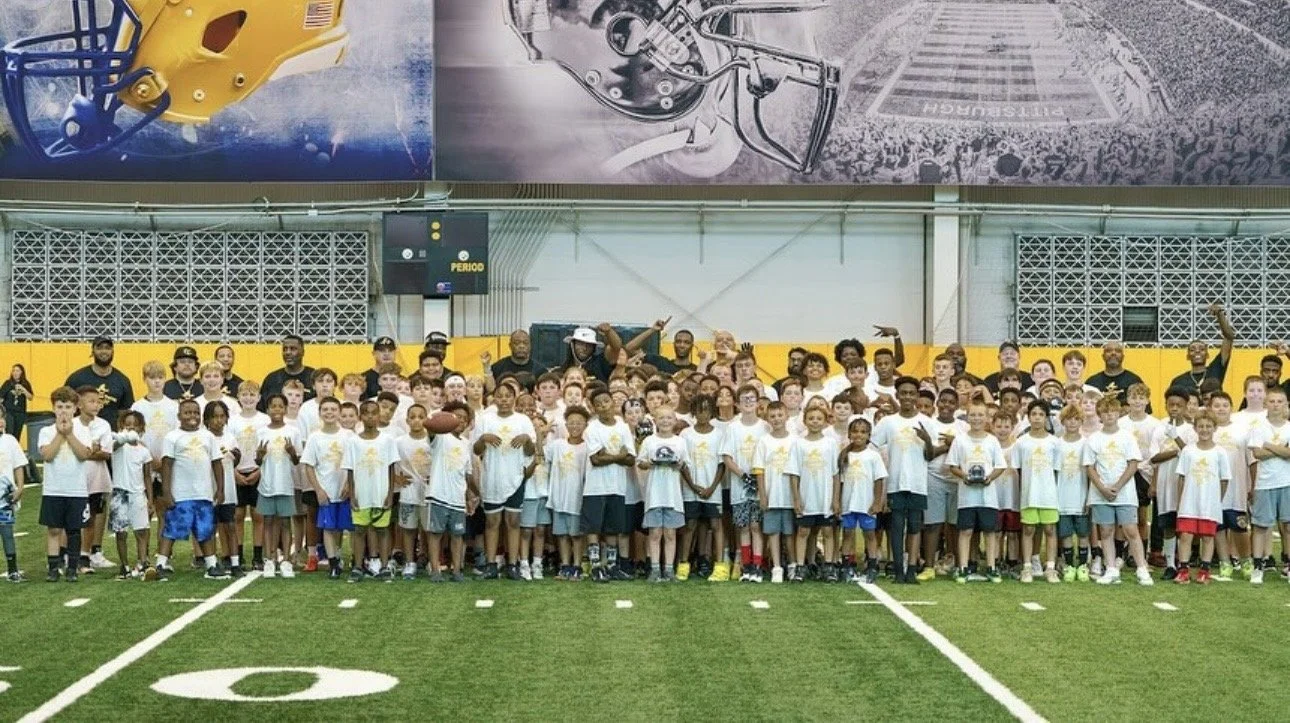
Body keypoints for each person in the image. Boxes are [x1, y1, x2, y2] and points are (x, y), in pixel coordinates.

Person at [872, 376, 936, 584]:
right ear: (897, 396)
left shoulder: (927, 423)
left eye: (911, 393)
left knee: (915, 527)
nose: (907, 397)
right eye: (904, 393)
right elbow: (872, 447)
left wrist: (927, 440)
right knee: (897, 527)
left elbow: (931, 454)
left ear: (917, 396)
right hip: (896, 482)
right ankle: (898, 568)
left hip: (918, 483)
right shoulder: (888, 422)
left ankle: (912, 569)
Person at [1083, 397, 1152, 586]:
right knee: (1105, 531)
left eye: (1112, 412)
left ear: (1118, 413)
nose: (1109, 415)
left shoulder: (1127, 436)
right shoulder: (1094, 439)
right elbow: (1089, 467)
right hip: (1100, 493)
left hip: (1125, 493)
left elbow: (1133, 464)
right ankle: (1111, 568)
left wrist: (1118, 486)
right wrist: (1102, 488)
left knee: (1130, 529)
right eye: (1105, 412)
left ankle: (1142, 568)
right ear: (1100, 416)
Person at [156, 398, 226, 580]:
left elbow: (217, 464)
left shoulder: (208, 436)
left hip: (203, 492)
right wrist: (166, 492)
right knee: (172, 528)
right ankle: (161, 563)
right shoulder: (172, 437)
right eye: (187, 412)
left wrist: (220, 489)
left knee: (205, 529)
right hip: (181, 494)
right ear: (179, 416)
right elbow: (167, 465)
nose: (192, 416)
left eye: (196, 412)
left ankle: (211, 564)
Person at [473, 383, 536, 580]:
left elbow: (531, 453)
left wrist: (527, 439)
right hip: (492, 478)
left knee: (513, 521)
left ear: (514, 398)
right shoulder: (485, 419)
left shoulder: (523, 420)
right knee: (492, 521)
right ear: (493, 398)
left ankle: (512, 564)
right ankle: (491, 564)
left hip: (515, 478)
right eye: (499, 396)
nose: (504, 400)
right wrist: (483, 439)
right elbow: (476, 450)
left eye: (508, 396)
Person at [947, 401, 1007, 583]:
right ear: (967, 417)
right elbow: (952, 465)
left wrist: (990, 477)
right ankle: (963, 567)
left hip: (988, 497)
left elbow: (1000, 466)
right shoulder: (960, 440)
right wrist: (964, 475)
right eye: (973, 415)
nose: (977, 418)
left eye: (981, 415)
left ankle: (991, 567)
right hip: (966, 497)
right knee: (965, 531)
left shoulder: (992, 440)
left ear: (987, 417)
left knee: (990, 531)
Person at [343, 400, 400, 582]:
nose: (370, 416)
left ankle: (384, 566)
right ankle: (358, 566)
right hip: (361, 494)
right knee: (360, 530)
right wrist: (352, 495)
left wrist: (390, 494)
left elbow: (391, 469)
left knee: (382, 530)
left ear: (379, 416)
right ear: (361, 417)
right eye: (366, 413)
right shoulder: (353, 442)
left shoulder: (387, 440)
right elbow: (350, 470)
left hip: (381, 493)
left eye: (374, 413)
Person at [581, 387, 634, 582]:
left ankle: (611, 566)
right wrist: (619, 455)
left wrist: (611, 456)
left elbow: (630, 459)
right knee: (593, 528)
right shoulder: (592, 429)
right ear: (593, 408)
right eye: (598, 404)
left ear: (613, 402)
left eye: (606, 401)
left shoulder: (622, 426)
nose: (603, 406)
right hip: (595, 488)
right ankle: (596, 567)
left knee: (613, 528)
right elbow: (596, 459)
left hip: (617, 487)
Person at [1173, 411, 1230, 584]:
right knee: (1185, 536)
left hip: (1209, 503)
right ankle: (1183, 570)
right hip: (1189, 502)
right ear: (1195, 428)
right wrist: (1181, 500)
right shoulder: (1188, 451)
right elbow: (1181, 477)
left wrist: (1216, 500)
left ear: (1214, 428)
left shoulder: (1220, 452)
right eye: (1201, 426)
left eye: (1208, 426)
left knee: (1207, 537)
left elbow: (1224, 479)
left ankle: (1204, 569)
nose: (1204, 430)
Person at [636, 405, 691, 582]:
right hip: (654, 495)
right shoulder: (649, 441)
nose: (665, 421)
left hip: (673, 496)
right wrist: (651, 464)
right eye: (661, 418)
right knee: (654, 533)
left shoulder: (680, 442)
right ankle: (654, 569)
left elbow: (684, 464)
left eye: (669, 418)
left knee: (670, 533)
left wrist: (678, 465)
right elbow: (641, 463)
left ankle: (668, 569)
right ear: (655, 421)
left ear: (675, 421)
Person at [721, 384, 770, 583]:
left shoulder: (765, 427)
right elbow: (727, 457)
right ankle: (746, 565)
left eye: (752, 398)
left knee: (756, 525)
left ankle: (757, 565)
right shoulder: (733, 427)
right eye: (744, 399)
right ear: (738, 404)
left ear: (758, 403)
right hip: (741, 485)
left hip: (760, 485)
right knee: (743, 527)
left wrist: (758, 478)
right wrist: (743, 475)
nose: (748, 402)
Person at [425, 402, 477, 582]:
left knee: (457, 535)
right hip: (438, 495)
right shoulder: (441, 437)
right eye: (456, 417)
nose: (460, 421)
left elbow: (467, 473)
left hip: (457, 497)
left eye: (464, 418)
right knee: (435, 534)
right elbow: (430, 427)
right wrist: (442, 419)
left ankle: (456, 570)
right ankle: (435, 570)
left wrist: (470, 496)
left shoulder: (466, 443)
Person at [1147, 388, 1195, 580]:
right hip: (1165, 483)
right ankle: (1170, 564)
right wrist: (1175, 452)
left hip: (1184, 483)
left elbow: (1192, 454)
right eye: (1171, 405)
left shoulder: (1190, 430)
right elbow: (1154, 457)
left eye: (1179, 405)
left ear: (1185, 407)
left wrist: (1176, 438)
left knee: (1184, 523)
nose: (1174, 408)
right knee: (1167, 524)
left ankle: (1184, 562)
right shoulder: (1159, 429)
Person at [1012, 401, 1062, 583]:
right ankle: (1027, 567)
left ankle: (1050, 567)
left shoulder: (1054, 443)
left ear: (1046, 417)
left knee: (1050, 529)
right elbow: (1017, 469)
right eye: (1034, 414)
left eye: (1041, 414)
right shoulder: (1021, 443)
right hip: (1029, 494)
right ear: (1028, 417)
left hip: (1048, 495)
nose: (1037, 418)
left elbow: (1056, 470)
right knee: (1028, 529)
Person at [303, 397, 351, 580]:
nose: (329, 412)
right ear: (320, 413)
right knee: (329, 527)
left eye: (333, 409)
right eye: (325, 409)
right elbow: (309, 466)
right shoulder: (315, 437)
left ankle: (339, 555)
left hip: (344, 490)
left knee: (341, 527)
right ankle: (333, 563)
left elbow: (353, 464)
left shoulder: (348, 435)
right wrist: (318, 490)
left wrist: (349, 484)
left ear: (339, 412)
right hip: (327, 491)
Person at [255, 393, 302, 578]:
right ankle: (270, 558)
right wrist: (259, 455)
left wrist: (291, 452)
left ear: (285, 409)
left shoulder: (293, 432)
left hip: (286, 484)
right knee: (268, 521)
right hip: (267, 484)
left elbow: (297, 461)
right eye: (273, 406)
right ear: (267, 410)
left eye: (280, 406)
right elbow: (258, 461)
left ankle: (286, 561)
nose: (276, 409)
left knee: (285, 522)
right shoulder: (261, 432)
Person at [1247, 387, 1290, 585]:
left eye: (1280, 401)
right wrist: (1282, 450)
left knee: (1287, 526)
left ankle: (1287, 565)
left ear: (1286, 404)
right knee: (1261, 526)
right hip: (1265, 483)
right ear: (1266, 404)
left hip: (1287, 482)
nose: (1276, 405)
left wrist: (1270, 446)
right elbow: (1257, 453)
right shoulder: (1258, 427)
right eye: (1272, 401)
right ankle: (1258, 565)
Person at [754, 402, 800, 584]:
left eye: (780, 415)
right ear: (767, 418)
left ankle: (793, 565)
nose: (776, 419)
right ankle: (777, 567)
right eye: (772, 416)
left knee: (789, 533)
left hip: (790, 495)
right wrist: (763, 495)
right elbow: (759, 470)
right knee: (773, 532)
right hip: (772, 494)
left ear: (787, 415)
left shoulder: (795, 440)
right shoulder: (764, 441)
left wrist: (798, 496)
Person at [792, 406, 839, 582]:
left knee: (827, 531)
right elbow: (794, 473)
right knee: (803, 531)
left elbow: (835, 474)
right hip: (807, 496)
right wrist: (797, 498)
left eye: (819, 418)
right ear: (805, 421)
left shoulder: (830, 443)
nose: (815, 422)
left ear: (825, 421)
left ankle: (828, 566)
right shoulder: (798, 443)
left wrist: (835, 499)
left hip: (825, 497)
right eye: (811, 418)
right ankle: (800, 567)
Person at [679, 394, 722, 581]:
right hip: (691, 489)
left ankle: (719, 564)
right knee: (690, 525)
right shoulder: (686, 434)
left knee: (714, 524)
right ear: (694, 411)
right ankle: (683, 563)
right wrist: (692, 485)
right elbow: (683, 463)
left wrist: (712, 487)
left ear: (712, 411)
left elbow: (722, 463)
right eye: (699, 410)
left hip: (713, 489)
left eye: (706, 409)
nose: (702, 414)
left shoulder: (719, 434)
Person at [839, 417, 887, 584]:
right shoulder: (845, 456)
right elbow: (840, 480)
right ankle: (847, 565)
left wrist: (877, 502)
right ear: (849, 434)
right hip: (848, 502)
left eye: (863, 432)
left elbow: (879, 480)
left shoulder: (873, 456)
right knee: (848, 534)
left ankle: (872, 565)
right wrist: (838, 502)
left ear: (868, 435)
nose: (858, 435)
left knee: (870, 535)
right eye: (855, 431)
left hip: (866, 503)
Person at [73, 386, 114, 573]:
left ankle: (85, 554)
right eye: (91, 401)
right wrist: (90, 451)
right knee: (73, 518)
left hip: (96, 479)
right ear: (79, 404)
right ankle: (68, 554)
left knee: (91, 518)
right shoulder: (72, 425)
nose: (96, 405)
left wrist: (85, 453)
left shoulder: (103, 425)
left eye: (98, 401)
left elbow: (105, 453)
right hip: (75, 479)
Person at [228, 380, 268, 570]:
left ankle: (258, 555)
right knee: (237, 515)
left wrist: (260, 470)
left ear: (259, 398)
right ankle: (239, 554)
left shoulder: (264, 420)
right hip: (238, 471)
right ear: (238, 397)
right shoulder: (233, 420)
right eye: (244, 394)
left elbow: (269, 448)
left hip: (257, 471)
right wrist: (233, 471)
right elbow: (228, 447)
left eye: (252, 395)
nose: (248, 398)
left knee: (258, 515)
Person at [109, 411, 153, 581]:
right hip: (119, 493)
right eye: (127, 424)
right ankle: (124, 565)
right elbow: (113, 446)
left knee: (141, 530)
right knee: (121, 532)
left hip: (137, 493)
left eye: (135, 424)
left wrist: (149, 498)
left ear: (141, 428)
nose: (131, 427)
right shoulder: (119, 446)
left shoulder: (143, 450)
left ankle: (143, 562)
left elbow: (147, 475)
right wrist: (122, 438)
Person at [546, 406, 589, 581]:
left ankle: (577, 565)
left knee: (576, 535)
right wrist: (541, 433)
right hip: (559, 497)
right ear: (566, 425)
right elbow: (540, 455)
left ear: (586, 425)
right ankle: (565, 565)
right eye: (571, 423)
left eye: (579, 423)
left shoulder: (588, 448)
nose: (575, 426)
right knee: (562, 534)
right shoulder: (557, 445)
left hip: (577, 498)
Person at [204, 401, 242, 577]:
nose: (218, 421)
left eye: (222, 416)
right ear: (207, 419)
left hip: (228, 489)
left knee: (230, 525)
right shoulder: (203, 438)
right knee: (210, 527)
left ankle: (235, 562)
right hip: (208, 489)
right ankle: (211, 562)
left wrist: (236, 456)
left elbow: (234, 461)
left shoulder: (230, 437)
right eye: (214, 417)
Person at [65, 336, 134, 430]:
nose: (104, 351)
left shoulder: (122, 381)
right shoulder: (76, 379)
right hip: (81, 435)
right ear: (92, 351)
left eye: (107, 348)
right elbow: (65, 406)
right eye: (99, 348)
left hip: (111, 437)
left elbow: (126, 413)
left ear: (113, 351)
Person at [1055, 405, 1090, 582]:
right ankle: (1069, 565)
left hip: (1081, 495)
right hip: (1062, 496)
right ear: (1062, 422)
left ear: (1081, 421)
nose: (1072, 423)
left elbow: (1091, 472)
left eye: (1076, 419)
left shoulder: (1086, 443)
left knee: (1083, 534)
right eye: (1069, 419)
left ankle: (1083, 565)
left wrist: (1089, 497)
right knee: (1066, 534)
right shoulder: (1057, 444)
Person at [1167, 303, 1236, 394]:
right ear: (1187, 356)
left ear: (1207, 355)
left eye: (1202, 349)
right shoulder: (1178, 382)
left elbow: (1229, 337)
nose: (1197, 351)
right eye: (1192, 349)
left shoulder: (1216, 369)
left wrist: (1220, 314)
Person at [0, 413, 28, 582]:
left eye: (2, 417)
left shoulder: (10, 440)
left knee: (7, 532)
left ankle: (13, 570)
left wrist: (20, 487)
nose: (1, 421)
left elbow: (18, 465)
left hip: (4, 499)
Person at [259, 335, 316, 410]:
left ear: (303, 352)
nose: (288, 352)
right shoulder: (272, 379)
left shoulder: (314, 377)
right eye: (285, 349)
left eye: (293, 349)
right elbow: (262, 408)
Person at [1086, 341, 1146, 406]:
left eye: (1118, 351)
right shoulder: (1092, 383)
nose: (1113, 353)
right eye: (1109, 351)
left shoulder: (1134, 381)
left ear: (1123, 357)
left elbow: (1145, 410)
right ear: (1103, 356)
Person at [1, 364, 33, 444]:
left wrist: (23, 389)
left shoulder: (25, 383)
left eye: (17, 371)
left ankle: (14, 451)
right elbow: (1, 397)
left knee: (17, 434)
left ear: (22, 372)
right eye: (13, 371)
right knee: (9, 432)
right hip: (9, 412)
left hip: (20, 413)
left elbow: (30, 397)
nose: (15, 373)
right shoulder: (7, 383)